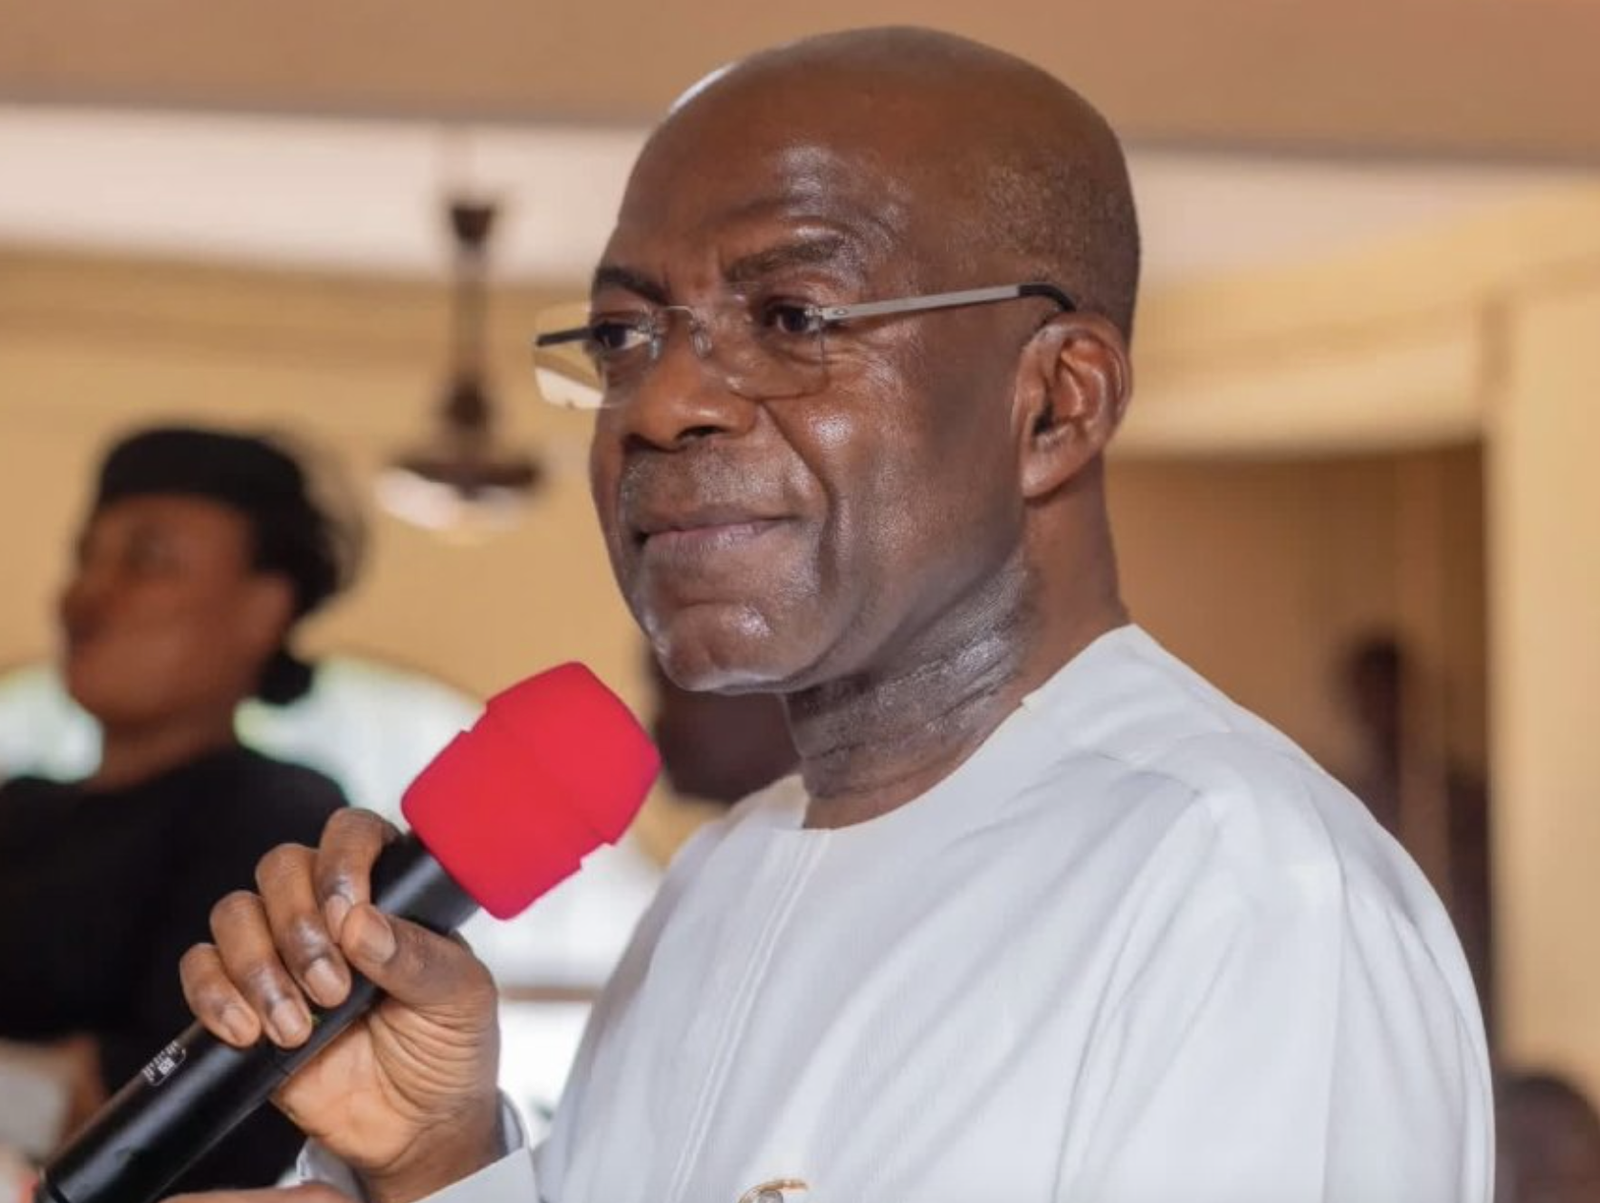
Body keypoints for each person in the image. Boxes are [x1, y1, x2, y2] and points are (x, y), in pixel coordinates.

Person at [173, 27, 1493, 1203]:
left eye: (792, 315)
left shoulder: (1236, 889)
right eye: (624, 335)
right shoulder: (719, 882)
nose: (662, 403)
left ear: (1057, 404)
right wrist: (435, 1160)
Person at [0, 426, 357, 1190]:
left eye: (148, 560)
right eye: (85, 558)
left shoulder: (272, 815)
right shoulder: (17, 809)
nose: (85, 597)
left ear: (263, 610)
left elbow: (168, 1105)